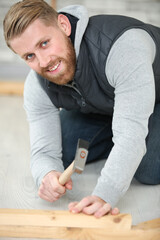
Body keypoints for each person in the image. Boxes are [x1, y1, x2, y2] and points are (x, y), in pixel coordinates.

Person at [3, 0, 160, 218]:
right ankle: (118, 140)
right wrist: (46, 175)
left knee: (149, 169)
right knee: (66, 151)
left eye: (44, 43)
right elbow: (45, 152)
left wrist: (105, 193)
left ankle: (128, 146)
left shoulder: (122, 47)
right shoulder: (37, 83)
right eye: (29, 56)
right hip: (106, 106)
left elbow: (131, 135)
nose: (44, 61)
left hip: (155, 100)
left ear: (64, 25)